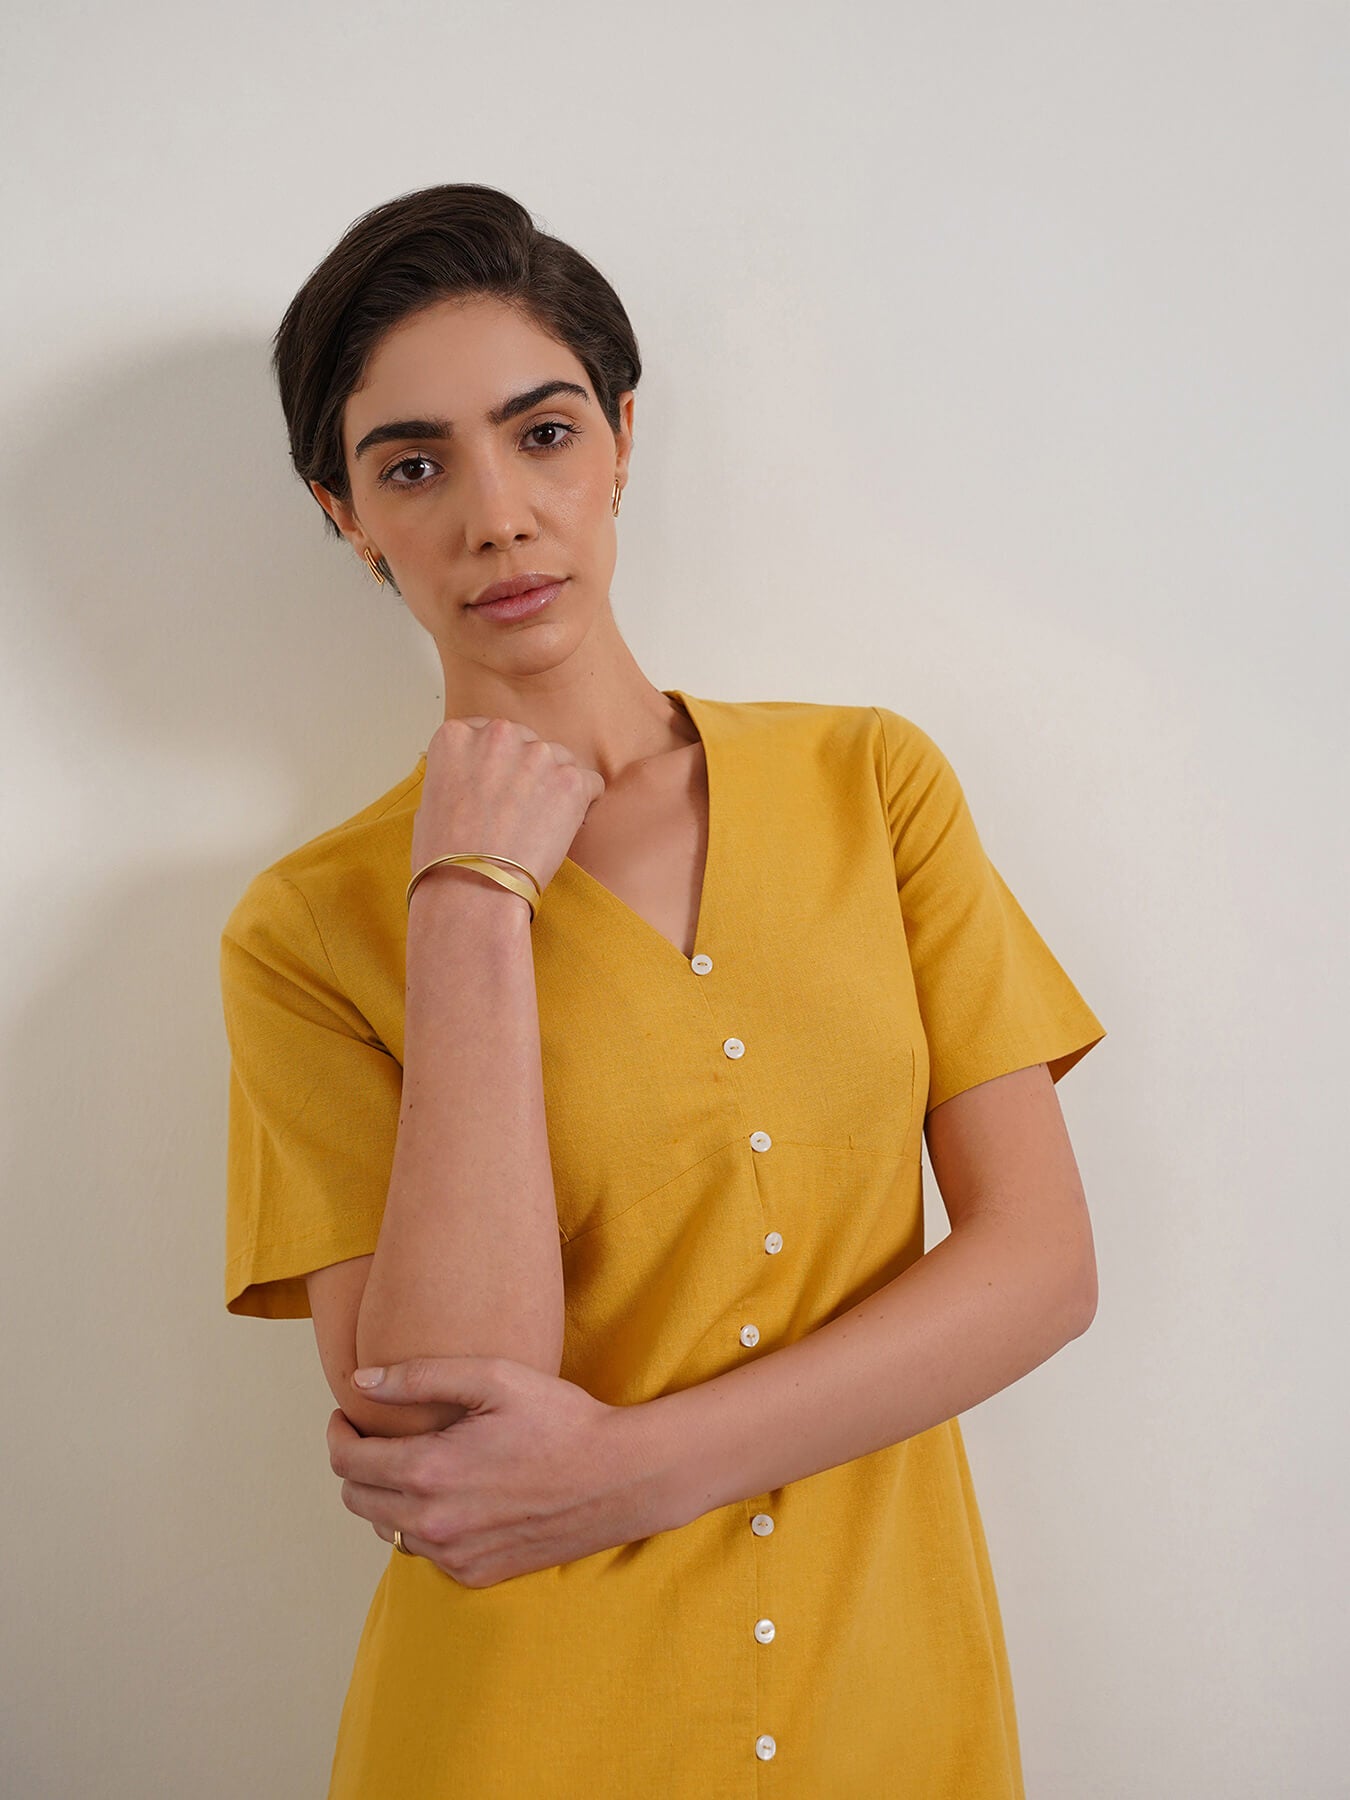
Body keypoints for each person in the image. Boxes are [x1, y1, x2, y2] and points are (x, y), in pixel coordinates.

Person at [219, 181, 1107, 1799]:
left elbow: (1040, 1265)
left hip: (885, 1711)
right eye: (412, 466)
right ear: (343, 514)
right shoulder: (306, 933)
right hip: (519, 1735)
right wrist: (468, 898)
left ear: (621, 439)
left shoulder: (869, 786)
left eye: (542, 434)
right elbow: (436, 1431)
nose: (497, 516)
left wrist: (632, 1469)